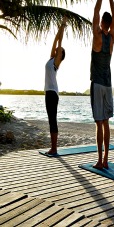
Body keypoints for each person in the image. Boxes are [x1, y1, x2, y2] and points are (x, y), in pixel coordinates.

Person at [90, 0, 114, 169]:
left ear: (102, 24)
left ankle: (100, 161)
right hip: (108, 84)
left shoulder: (98, 36)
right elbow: (113, 14)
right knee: (106, 123)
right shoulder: (112, 38)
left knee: (99, 124)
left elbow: (95, 11)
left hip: (97, 83)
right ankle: (106, 160)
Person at [44, 16, 67, 155]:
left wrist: (63, 26)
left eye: (60, 49)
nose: (58, 48)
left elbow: (60, 40)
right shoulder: (51, 59)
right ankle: (53, 147)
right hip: (49, 92)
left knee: (53, 119)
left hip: (53, 93)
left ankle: (54, 148)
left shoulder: (56, 62)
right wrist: (60, 26)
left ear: (60, 55)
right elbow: (56, 40)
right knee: (50, 119)